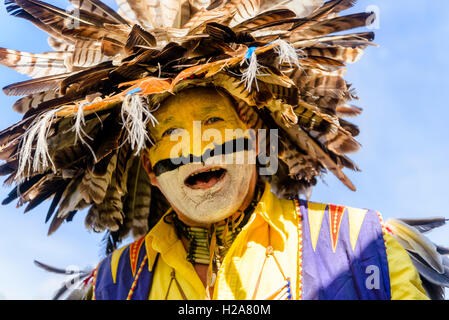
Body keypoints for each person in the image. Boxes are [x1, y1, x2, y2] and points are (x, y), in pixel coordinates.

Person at [0, 0, 447, 300]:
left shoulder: (365, 251)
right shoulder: (111, 288)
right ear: (150, 169)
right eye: (170, 136)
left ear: (253, 137)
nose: (195, 150)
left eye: (213, 125)